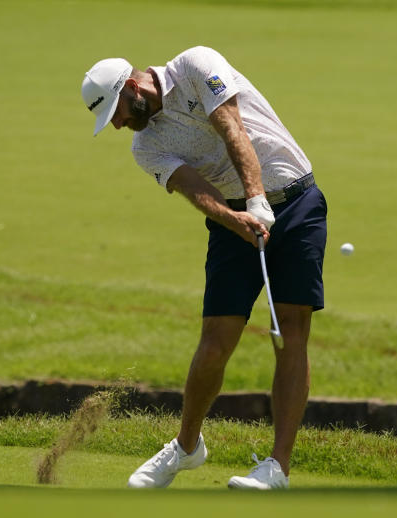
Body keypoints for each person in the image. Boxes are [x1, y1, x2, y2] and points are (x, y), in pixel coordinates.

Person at [81, 46, 327, 490]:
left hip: (296, 202)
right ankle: (187, 447)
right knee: (215, 342)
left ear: (133, 88)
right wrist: (237, 219)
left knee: (291, 333)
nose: (117, 126)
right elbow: (193, 187)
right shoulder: (146, 147)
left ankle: (277, 468)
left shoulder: (196, 65)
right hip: (231, 219)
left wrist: (257, 199)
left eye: (115, 114)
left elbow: (231, 127)